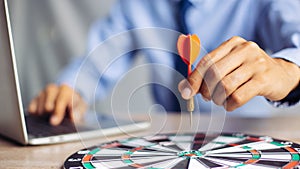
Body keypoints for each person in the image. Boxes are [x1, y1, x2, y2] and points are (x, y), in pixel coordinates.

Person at [28, 0, 300, 126]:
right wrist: (70, 90)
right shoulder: (136, 5)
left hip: (246, 144)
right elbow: (97, 61)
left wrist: (287, 70)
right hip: (168, 144)